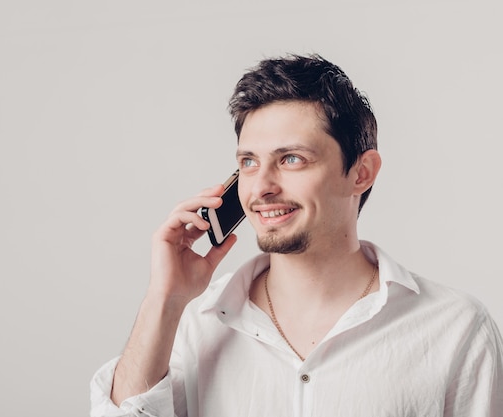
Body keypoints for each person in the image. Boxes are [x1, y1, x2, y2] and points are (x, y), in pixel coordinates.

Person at [90, 53, 503, 416]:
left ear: (361, 172)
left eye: (291, 159)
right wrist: (165, 300)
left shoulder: (454, 329)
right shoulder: (192, 324)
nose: (262, 186)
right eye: (249, 162)